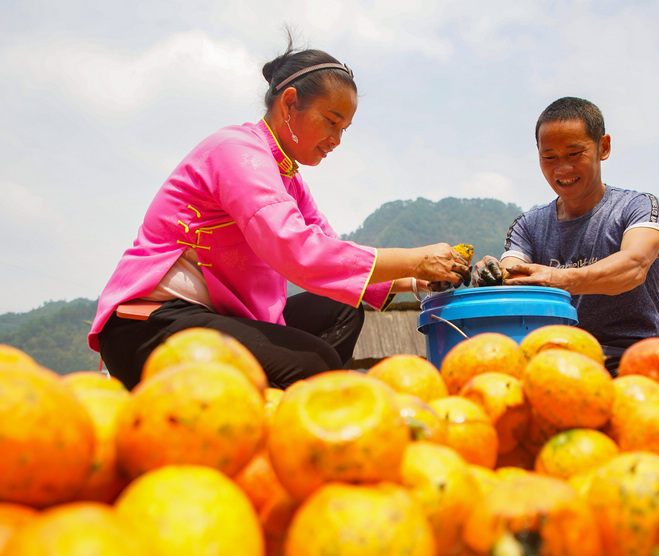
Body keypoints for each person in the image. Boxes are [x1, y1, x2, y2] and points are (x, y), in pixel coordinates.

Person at [88, 37, 470, 390]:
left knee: (343, 309)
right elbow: (298, 253)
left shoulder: (287, 176)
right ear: (289, 103)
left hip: (214, 315)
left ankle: (282, 411)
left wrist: (423, 278)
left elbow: (330, 254)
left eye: (345, 128)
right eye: (331, 121)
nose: (337, 140)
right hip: (149, 324)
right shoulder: (237, 152)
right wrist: (416, 260)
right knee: (314, 362)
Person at [471, 97, 659, 374]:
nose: (562, 169)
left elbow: (634, 266)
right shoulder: (528, 225)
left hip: (636, 358)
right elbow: (512, 278)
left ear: (603, 147)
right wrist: (492, 278)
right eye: (549, 157)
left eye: (574, 154)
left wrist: (557, 279)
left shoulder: (638, 207)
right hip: (559, 363)